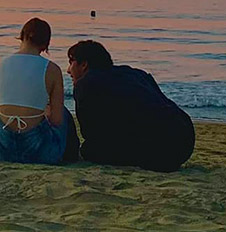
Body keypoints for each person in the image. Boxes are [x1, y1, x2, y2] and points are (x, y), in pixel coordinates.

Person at [66, 40, 194, 171]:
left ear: (84, 65)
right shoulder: (137, 74)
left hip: (160, 148)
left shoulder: (86, 84)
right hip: (185, 139)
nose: (68, 70)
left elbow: (90, 132)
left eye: (71, 63)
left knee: (90, 150)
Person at [0, 17, 79, 164]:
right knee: (62, 112)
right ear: (45, 44)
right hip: (39, 152)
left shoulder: (2, 65)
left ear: (23, 35)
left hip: (4, 150)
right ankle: (70, 156)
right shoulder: (52, 69)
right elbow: (57, 121)